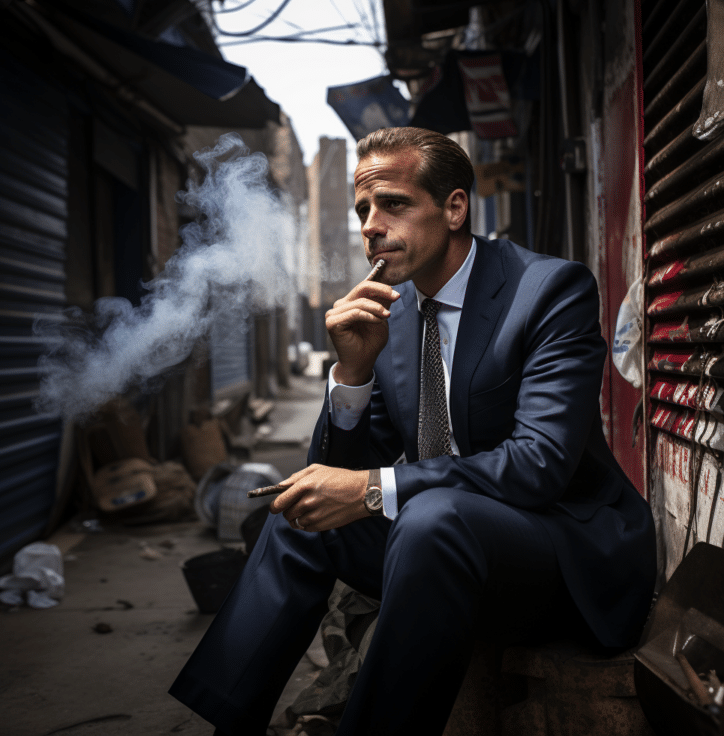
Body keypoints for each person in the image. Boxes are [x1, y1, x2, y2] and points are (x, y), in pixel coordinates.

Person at [170, 127, 656, 736]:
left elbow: (539, 464)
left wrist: (374, 490)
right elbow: (341, 471)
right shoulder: (392, 314)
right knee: (300, 509)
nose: (371, 224)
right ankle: (229, 722)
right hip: (441, 550)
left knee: (431, 519)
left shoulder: (548, 291)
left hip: (560, 551)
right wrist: (351, 373)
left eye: (393, 204)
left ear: (454, 208)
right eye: (363, 210)